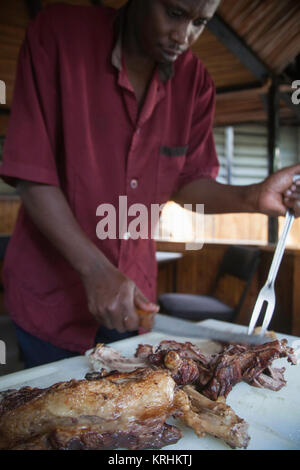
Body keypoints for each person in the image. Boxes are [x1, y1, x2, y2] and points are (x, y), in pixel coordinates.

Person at [0, 0, 300, 368]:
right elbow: (33, 174)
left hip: (135, 304)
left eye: (200, 23)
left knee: (132, 420)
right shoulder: (58, 35)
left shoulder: (196, 84)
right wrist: (94, 270)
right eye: (175, 13)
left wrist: (253, 196)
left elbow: (187, 182)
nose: (184, 36)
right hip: (50, 300)